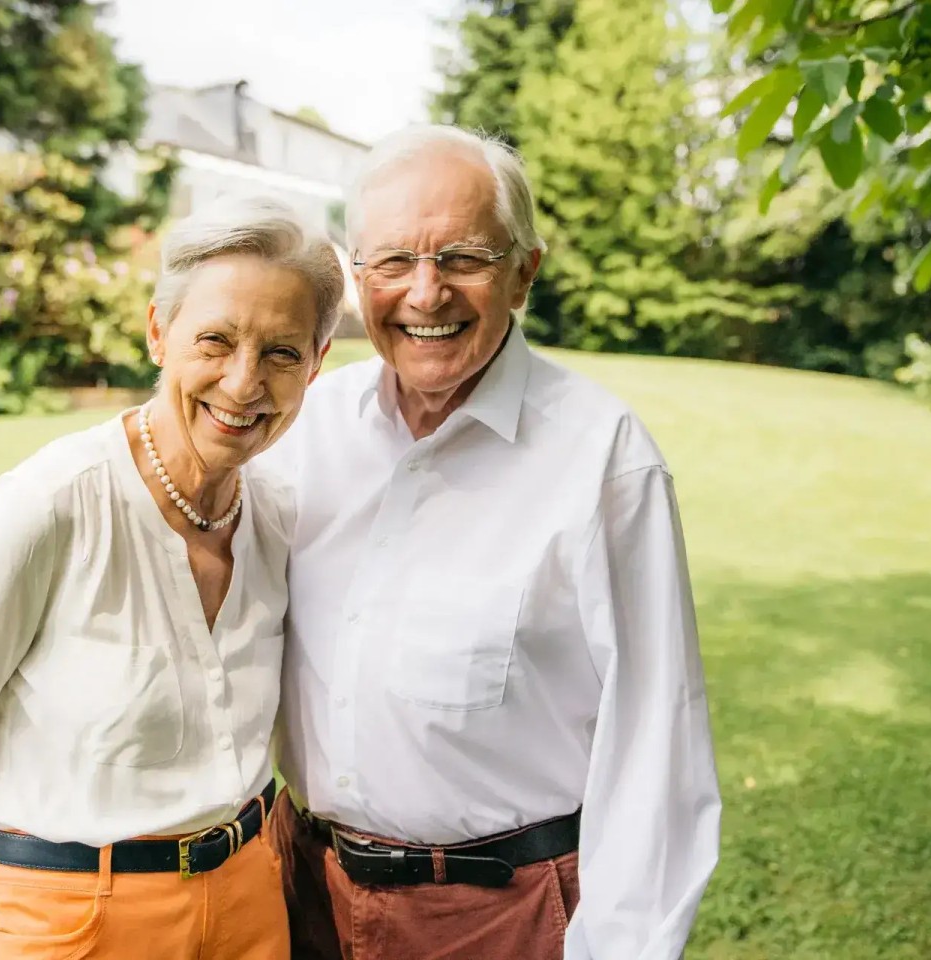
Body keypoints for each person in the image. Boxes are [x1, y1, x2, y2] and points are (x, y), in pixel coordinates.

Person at [260, 124, 722, 960]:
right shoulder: (309, 429)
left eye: (463, 258)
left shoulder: (602, 458)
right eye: (393, 261)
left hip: (499, 920)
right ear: (357, 276)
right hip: (305, 898)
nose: (425, 294)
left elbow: (657, 740)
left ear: (525, 272)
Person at [0, 194, 344, 960]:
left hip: (252, 907)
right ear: (159, 332)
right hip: (72, 921)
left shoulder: (283, 518)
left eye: (282, 352)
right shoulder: (53, 501)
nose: (244, 382)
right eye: (215, 341)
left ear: (316, 366)